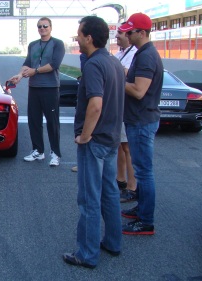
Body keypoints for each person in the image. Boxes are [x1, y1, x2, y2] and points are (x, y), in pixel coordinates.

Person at [62, 16, 125, 269]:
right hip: (111, 139)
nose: (77, 37)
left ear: (89, 37)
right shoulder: (114, 62)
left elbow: (95, 105)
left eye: (79, 33)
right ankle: (113, 242)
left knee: (89, 199)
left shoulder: (93, 65)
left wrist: (84, 136)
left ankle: (86, 255)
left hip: (95, 141)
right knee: (110, 193)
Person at [118, 13, 163, 235]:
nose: (126, 34)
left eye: (130, 31)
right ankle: (141, 209)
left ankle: (146, 221)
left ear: (142, 33)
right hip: (139, 120)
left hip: (142, 121)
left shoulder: (146, 56)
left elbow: (138, 90)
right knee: (141, 169)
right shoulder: (142, 53)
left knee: (144, 172)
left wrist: (119, 79)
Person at [9, 17, 65, 167]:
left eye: (45, 26)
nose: (42, 28)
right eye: (39, 26)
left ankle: (55, 154)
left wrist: (36, 71)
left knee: (52, 123)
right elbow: (27, 63)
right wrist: (20, 75)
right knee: (34, 121)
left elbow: (54, 64)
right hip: (34, 88)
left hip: (50, 88)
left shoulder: (57, 44)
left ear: (50, 27)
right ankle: (38, 151)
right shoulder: (33, 45)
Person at [113, 25, 138, 203]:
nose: (117, 36)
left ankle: (132, 186)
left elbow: (125, 73)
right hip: (119, 104)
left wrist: (113, 69)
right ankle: (120, 180)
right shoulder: (120, 53)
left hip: (128, 106)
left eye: (120, 34)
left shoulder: (134, 53)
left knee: (128, 147)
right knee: (120, 145)